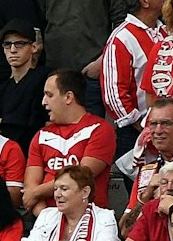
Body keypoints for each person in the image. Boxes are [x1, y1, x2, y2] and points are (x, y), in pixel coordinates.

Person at [21, 70, 116, 214]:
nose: (43, 102)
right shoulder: (41, 135)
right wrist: (47, 219)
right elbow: (30, 186)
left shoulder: (99, 129)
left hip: (88, 219)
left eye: (49, 95)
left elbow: (82, 176)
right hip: (46, 221)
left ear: (68, 97)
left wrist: (36, 192)